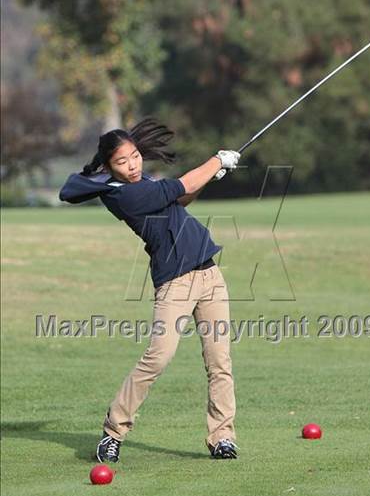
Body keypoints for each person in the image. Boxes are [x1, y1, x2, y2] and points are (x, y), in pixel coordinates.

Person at [59, 117, 241, 461]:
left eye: (134, 156)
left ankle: (222, 437)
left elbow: (180, 200)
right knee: (158, 357)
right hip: (175, 282)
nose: (131, 165)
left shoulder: (142, 180)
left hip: (209, 273)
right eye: (122, 161)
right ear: (109, 167)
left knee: (220, 360)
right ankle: (114, 430)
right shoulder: (125, 195)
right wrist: (217, 160)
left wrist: (207, 179)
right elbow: (175, 188)